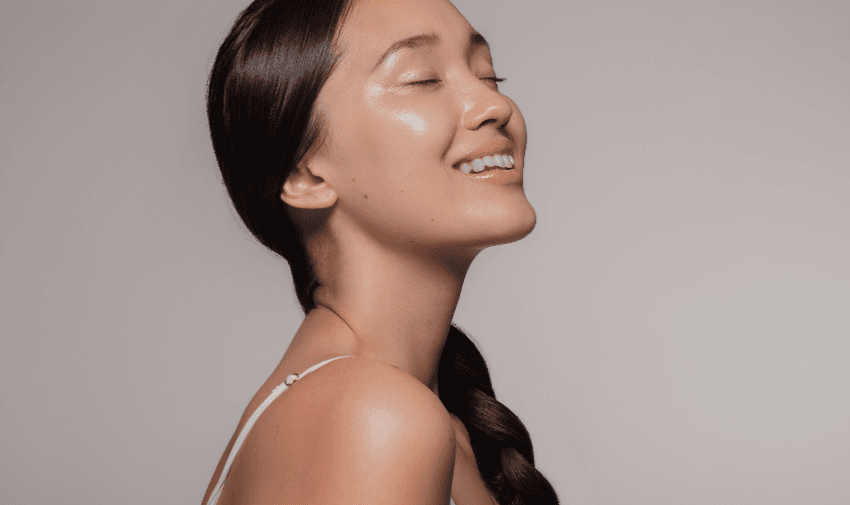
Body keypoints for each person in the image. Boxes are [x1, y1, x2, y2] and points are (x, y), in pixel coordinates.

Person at [202, 0, 560, 503]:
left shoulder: (427, 422)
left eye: (488, 74)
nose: (495, 105)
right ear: (306, 175)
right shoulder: (371, 417)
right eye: (422, 79)